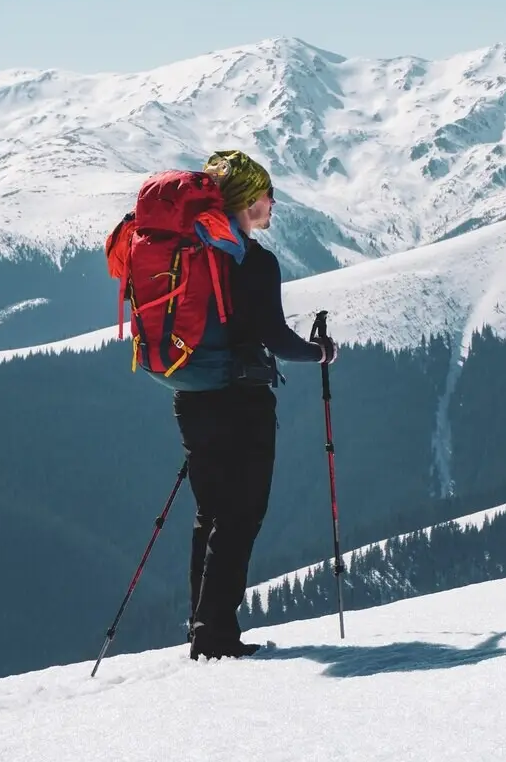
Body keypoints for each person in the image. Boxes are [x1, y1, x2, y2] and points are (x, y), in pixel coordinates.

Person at [176, 149, 338, 660]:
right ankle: (216, 634)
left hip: (191, 394)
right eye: (268, 194)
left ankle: (201, 624)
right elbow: (274, 336)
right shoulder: (255, 261)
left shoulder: (193, 253)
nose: (272, 204)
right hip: (241, 402)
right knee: (242, 514)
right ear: (247, 201)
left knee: (211, 513)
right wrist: (320, 353)